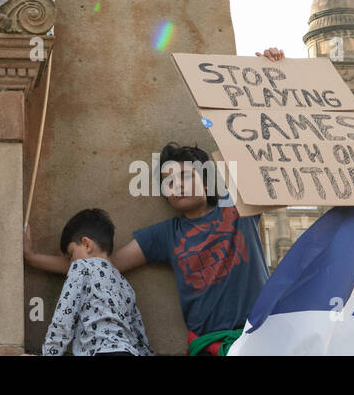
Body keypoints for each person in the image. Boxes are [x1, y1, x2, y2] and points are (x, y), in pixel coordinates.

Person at [26, 142, 269, 356]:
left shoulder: (238, 207)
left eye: (185, 176)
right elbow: (95, 264)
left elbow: (263, 161)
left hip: (262, 336)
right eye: (168, 182)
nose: (177, 186)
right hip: (209, 345)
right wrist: (32, 257)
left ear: (207, 179)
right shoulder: (165, 234)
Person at [41, 208, 152, 356]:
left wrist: (49, 353)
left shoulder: (81, 267)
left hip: (101, 352)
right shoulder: (124, 283)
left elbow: (63, 320)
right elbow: (138, 332)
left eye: (72, 254)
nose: (71, 261)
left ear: (87, 244)